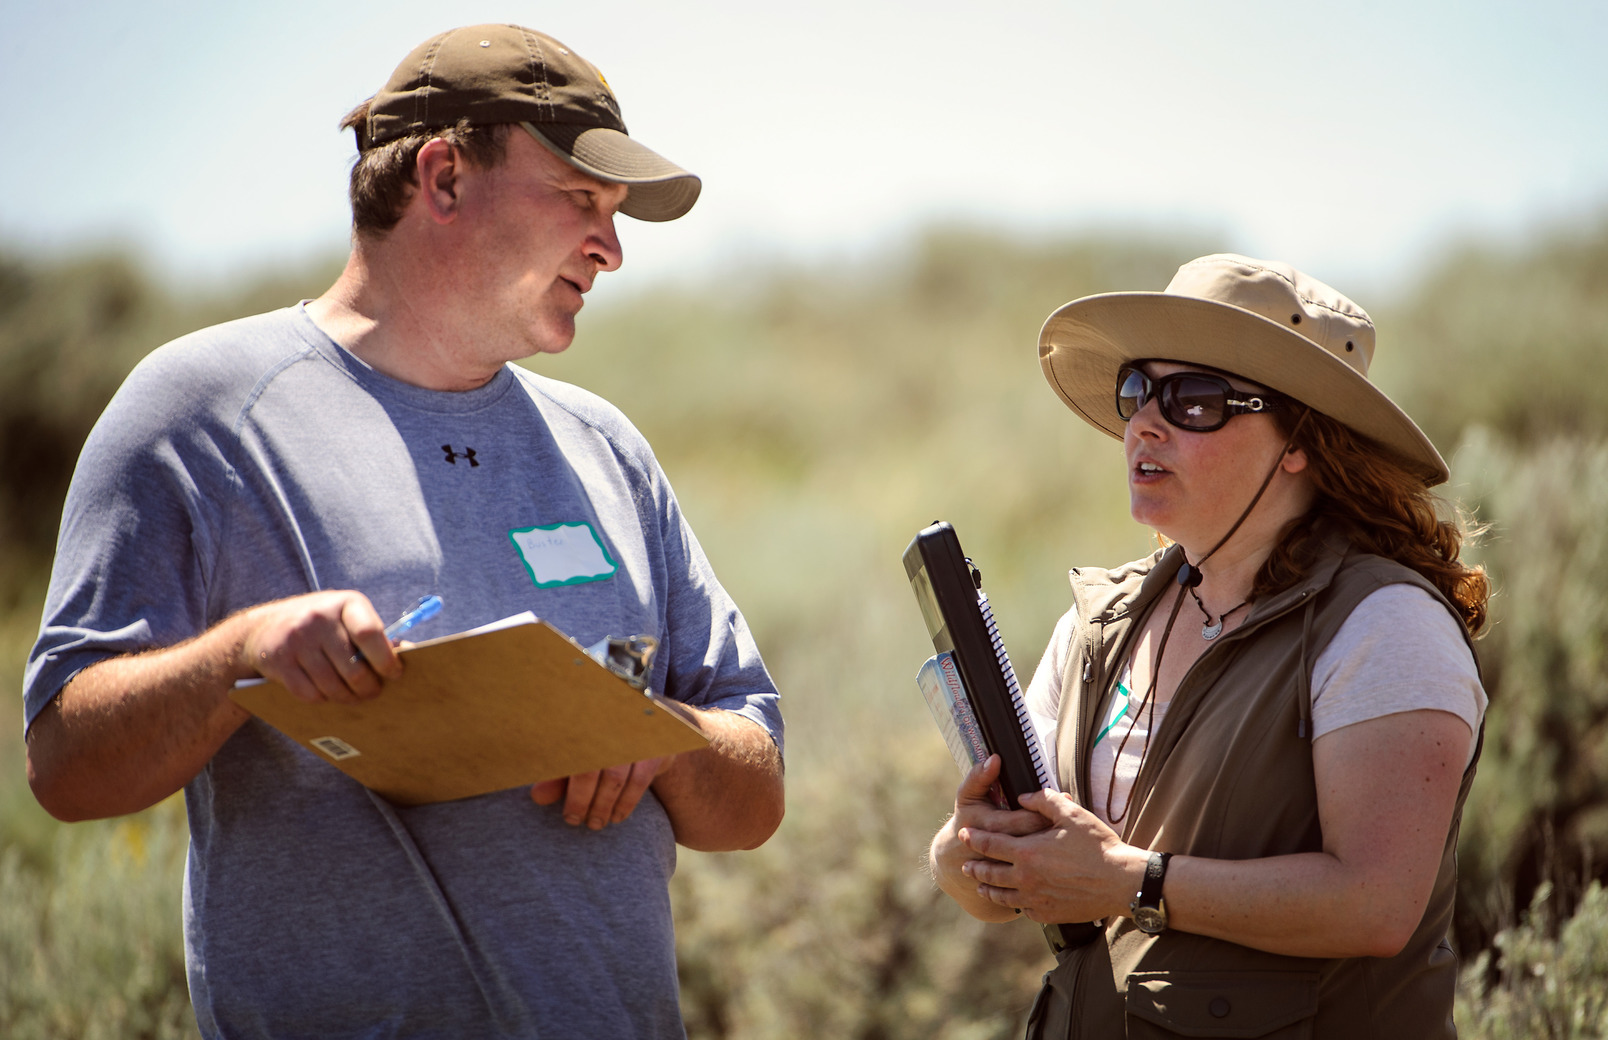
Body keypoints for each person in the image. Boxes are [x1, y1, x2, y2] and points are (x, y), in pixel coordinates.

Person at [24, 24, 784, 1039]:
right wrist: (239, 657)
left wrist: (659, 745)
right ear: (444, 176)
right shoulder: (198, 412)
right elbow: (65, 761)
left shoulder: (606, 446)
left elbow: (757, 787)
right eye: (580, 200)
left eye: (614, 214)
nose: (611, 246)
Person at [928, 254, 1487, 1038]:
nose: (1143, 424)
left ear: (1300, 440)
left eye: (1194, 399)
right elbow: (1012, 876)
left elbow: (1375, 904)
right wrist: (970, 854)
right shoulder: (1100, 624)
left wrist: (1134, 882)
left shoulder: (1385, 625)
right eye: (1135, 391)